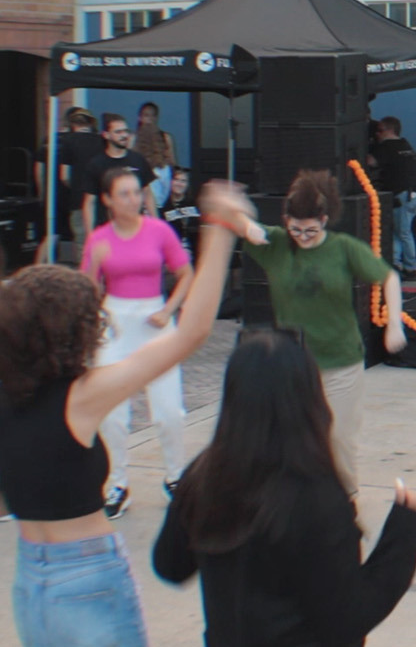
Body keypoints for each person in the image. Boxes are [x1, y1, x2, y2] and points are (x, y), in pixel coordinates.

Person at [0, 182, 249, 647]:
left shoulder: (9, 392)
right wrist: (219, 230)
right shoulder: (78, 397)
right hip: (87, 575)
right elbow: (192, 334)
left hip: (30, 579)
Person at [152, 328, 416, 647]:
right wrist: (403, 532)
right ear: (308, 396)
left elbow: (170, 566)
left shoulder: (203, 477)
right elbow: (347, 618)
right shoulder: (316, 495)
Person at [238, 170, 407, 496]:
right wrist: (245, 224)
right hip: (294, 364)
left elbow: (389, 278)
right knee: (291, 438)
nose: (303, 237)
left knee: (339, 438)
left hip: (340, 360)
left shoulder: (343, 248)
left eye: (311, 230)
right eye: (296, 228)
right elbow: (230, 220)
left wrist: (394, 325)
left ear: (325, 219)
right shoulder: (276, 244)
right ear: (286, 219)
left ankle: (345, 502)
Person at [81, 167, 195, 518]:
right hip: (115, 322)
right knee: (112, 414)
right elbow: (87, 289)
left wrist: (169, 310)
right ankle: (117, 483)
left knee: (170, 411)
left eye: (137, 192)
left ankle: (175, 476)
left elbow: (186, 273)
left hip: (155, 322)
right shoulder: (98, 239)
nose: (134, 199)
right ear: (108, 201)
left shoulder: (159, 230)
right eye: (125, 194)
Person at [34, 106, 101, 261]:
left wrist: (42, 192)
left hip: (58, 194)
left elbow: (41, 169)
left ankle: (39, 268)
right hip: (88, 195)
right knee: (89, 235)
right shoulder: (98, 141)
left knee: (54, 234)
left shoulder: (55, 139)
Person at [79, 113, 156, 234]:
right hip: (107, 228)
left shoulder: (138, 160)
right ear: (106, 135)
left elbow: (147, 194)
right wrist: (90, 235)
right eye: (118, 132)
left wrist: (155, 222)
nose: (124, 135)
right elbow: (89, 202)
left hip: (136, 228)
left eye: (126, 131)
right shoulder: (96, 164)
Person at [369, 116, 416, 282]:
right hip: (414, 196)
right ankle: (397, 264)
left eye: (379, 131)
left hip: (402, 196)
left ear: (389, 130)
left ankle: (410, 268)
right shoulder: (405, 145)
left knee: (402, 232)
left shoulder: (387, 147)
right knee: (399, 232)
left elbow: (370, 162)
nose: (377, 134)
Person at [133, 102, 178, 209]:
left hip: (162, 184)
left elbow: (172, 162)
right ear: (140, 117)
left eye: (153, 116)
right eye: (146, 115)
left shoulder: (165, 137)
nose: (149, 119)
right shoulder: (133, 139)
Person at [161, 167, 201, 255]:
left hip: (194, 253)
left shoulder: (194, 204)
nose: (179, 184)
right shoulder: (164, 207)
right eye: (176, 180)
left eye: (183, 181)